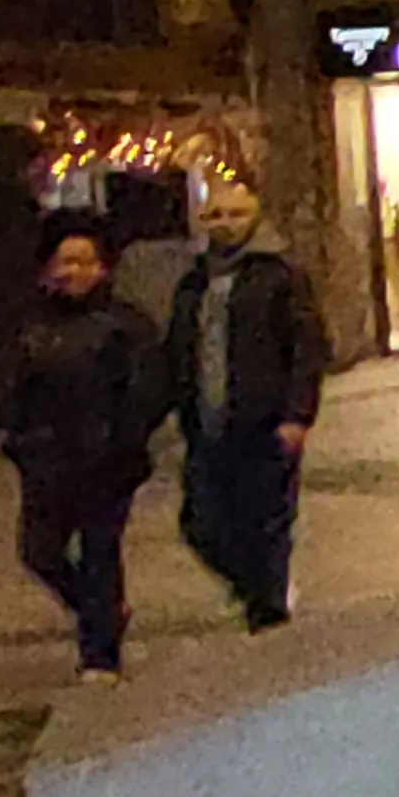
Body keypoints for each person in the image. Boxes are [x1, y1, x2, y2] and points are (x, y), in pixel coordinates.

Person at [5, 215, 166, 683]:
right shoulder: (30, 325)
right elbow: (12, 389)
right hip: (45, 459)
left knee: (100, 551)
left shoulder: (125, 325)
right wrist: (19, 440)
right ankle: (103, 613)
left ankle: (100, 656)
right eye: (63, 261)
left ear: (102, 267)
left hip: (107, 459)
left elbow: (149, 389)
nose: (72, 272)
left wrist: (124, 437)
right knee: (40, 551)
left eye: (84, 261)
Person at [164, 179, 322, 636]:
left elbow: (306, 348)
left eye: (236, 214)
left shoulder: (279, 275)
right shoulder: (194, 280)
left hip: (265, 419)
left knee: (268, 519)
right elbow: (177, 347)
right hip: (207, 420)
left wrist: (297, 415)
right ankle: (258, 587)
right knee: (201, 523)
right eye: (215, 215)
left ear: (255, 216)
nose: (225, 224)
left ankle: (268, 613)